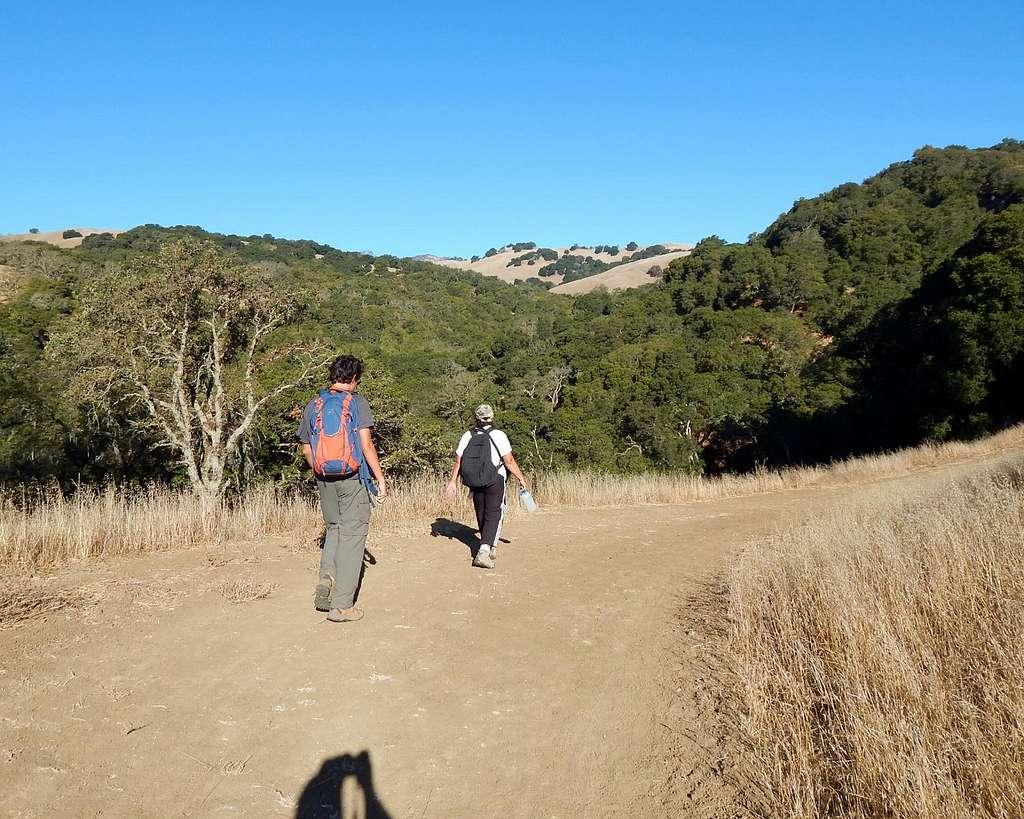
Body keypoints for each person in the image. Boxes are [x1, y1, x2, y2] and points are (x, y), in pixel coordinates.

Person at [297, 355, 388, 623]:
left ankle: (325, 586)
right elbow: (366, 445)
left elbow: (305, 448)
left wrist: (321, 469)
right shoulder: (357, 403)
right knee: (353, 535)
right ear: (354, 378)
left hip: (324, 478)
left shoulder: (313, 405)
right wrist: (380, 478)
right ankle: (342, 605)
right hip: (352, 479)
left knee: (334, 529)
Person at [445, 404, 528, 569]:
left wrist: (453, 481)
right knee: (494, 513)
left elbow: (458, 461)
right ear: (492, 417)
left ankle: (487, 543)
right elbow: (509, 461)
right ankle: (485, 550)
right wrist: (521, 478)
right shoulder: (499, 435)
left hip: (474, 480)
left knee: (482, 512)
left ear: (476, 418)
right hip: (495, 479)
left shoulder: (467, 435)